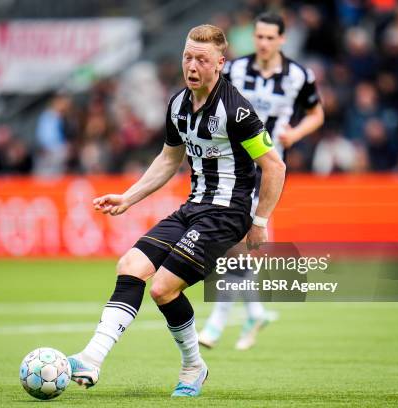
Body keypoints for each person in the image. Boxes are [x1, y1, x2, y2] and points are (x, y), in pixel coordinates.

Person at [66, 24, 286, 397]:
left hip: (226, 215)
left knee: (164, 288)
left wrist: (260, 222)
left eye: (202, 59)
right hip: (193, 208)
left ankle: (192, 366)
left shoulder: (237, 111)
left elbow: (275, 166)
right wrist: (128, 197)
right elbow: (169, 160)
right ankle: (91, 357)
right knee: (130, 266)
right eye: (187, 56)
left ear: (220, 62)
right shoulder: (178, 104)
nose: (192, 65)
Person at [198, 12, 324, 351]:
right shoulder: (236, 70)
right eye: (259, 37)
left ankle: (218, 322)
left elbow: (317, 113)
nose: (264, 43)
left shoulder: (299, 76)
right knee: (236, 244)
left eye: (270, 37)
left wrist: (295, 132)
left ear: (282, 39)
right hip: (231, 164)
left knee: (235, 242)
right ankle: (254, 312)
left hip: (266, 170)